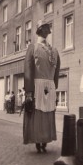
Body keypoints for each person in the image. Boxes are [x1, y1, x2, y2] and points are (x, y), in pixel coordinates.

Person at [23, 20, 60, 153]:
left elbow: (56, 72)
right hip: (37, 86)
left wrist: (55, 88)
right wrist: (29, 91)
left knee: (48, 113)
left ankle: (45, 140)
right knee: (37, 113)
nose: (46, 30)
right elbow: (28, 70)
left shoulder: (54, 50)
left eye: (47, 28)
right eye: (43, 28)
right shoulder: (33, 48)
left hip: (49, 87)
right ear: (39, 30)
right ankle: (38, 140)